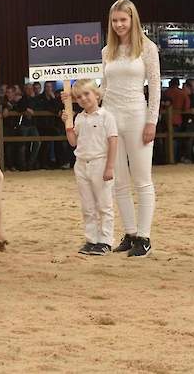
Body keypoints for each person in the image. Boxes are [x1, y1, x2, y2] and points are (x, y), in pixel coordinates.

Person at [67, 0, 159, 258]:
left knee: (142, 180)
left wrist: (152, 120)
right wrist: (85, 102)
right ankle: (129, 234)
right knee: (117, 181)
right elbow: (104, 88)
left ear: (133, 20)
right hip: (111, 117)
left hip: (138, 117)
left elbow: (154, 86)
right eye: (115, 21)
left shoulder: (148, 49)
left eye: (123, 20)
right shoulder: (107, 51)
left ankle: (144, 236)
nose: (119, 25)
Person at [61, 79, 118, 255]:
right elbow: (73, 142)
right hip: (81, 164)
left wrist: (109, 167)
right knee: (87, 205)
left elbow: (113, 141)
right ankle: (91, 239)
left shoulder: (106, 116)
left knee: (104, 204)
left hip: (100, 163)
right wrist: (67, 124)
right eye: (79, 97)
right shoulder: (78, 118)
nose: (83, 99)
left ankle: (106, 241)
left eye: (87, 94)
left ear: (97, 94)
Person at [162, 78, 189, 163]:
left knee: (166, 139)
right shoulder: (183, 93)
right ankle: (175, 158)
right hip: (178, 119)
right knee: (176, 139)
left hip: (165, 118)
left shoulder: (166, 92)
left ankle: (168, 158)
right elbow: (186, 107)